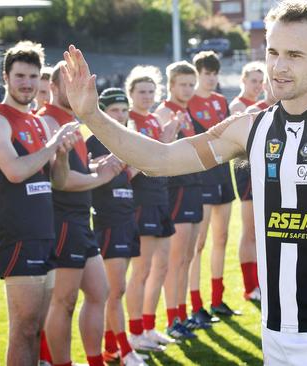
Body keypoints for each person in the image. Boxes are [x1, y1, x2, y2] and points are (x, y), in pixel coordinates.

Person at [60, 0, 307, 364]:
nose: (279, 67)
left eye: (294, 55)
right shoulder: (253, 128)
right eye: (273, 52)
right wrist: (92, 115)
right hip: (275, 328)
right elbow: (160, 160)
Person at [0, 41, 79, 366]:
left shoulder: (37, 121)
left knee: (36, 329)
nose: (27, 83)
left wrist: (61, 154)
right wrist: (53, 144)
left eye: (33, 76)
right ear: (5, 77)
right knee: (22, 329)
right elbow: (15, 171)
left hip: (45, 234)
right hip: (19, 237)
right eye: (20, 75)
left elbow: (58, 182)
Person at [38, 61, 123, 366]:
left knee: (100, 292)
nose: (75, 88)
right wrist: (99, 178)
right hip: (61, 221)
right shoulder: (47, 121)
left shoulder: (72, 122)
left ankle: (95, 360)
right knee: (64, 301)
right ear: (54, 87)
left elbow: (75, 170)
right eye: (68, 82)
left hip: (79, 220)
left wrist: (97, 166)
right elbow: (58, 180)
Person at [86, 87, 149, 365]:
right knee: (114, 290)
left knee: (117, 289)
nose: (121, 115)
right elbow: (84, 171)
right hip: (107, 220)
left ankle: (111, 346)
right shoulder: (93, 140)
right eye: (114, 110)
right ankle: (124, 350)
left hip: (126, 217)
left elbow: (127, 175)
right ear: (102, 111)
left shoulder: (126, 140)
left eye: (124, 110)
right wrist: (103, 163)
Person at [123, 65, 181, 349]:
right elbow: (138, 161)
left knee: (161, 267)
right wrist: (162, 141)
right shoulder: (128, 121)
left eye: (150, 92)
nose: (146, 96)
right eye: (141, 92)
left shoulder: (154, 121)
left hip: (161, 198)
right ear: (130, 93)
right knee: (142, 269)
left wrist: (167, 138)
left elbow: (161, 159)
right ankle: (134, 332)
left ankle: (148, 326)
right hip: (141, 201)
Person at [154, 61, 208, 337]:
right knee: (176, 258)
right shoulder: (164, 112)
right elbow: (160, 152)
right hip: (177, 190)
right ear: (171, 85)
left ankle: (182, 313)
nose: (187, 89)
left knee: (188, 255)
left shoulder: (186, 112)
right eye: (182, 84)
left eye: (191, 84)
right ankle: (172, 318)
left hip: (194, 187)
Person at [187, 51, 241, 318]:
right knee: (198, 244)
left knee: (222, 238)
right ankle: (196, 305)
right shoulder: (189, 101)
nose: (211, 78)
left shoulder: (221, 101)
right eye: (206, 73)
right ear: (198, 73)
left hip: (222, 175)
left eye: (214, 73)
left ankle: (217, 299)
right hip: (200, 178)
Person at [229, 63, 265, 302]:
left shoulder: (266, 106)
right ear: (243, 80)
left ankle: (261, 283)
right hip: (247, 169)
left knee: (264, 230)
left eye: (261, 81)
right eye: (253, 80)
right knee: (250, 229)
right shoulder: (239, 106)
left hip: (264, 168)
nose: (258, 86)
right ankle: (250, 286)